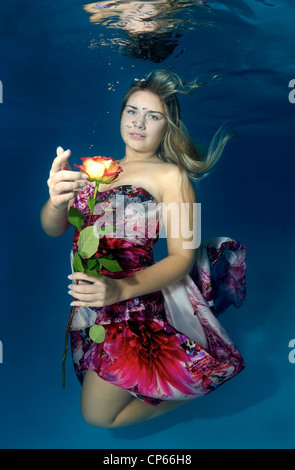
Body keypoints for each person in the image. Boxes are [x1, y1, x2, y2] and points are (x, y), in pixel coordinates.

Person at [41, 69, 247, 428]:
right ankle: (164, 385)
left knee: (97, 416)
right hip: (92, 305)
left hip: (135, 308)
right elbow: (53, 229)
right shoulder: (97, 169)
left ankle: (184, 389)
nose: (139, 123)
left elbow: (182, 258)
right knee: (97, 403)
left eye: (153, 116)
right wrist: (55, 201)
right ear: (120, 113)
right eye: (132, 111)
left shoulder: (173, 176)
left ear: (168, 125)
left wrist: (120, 288)